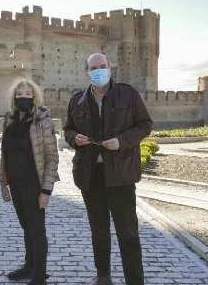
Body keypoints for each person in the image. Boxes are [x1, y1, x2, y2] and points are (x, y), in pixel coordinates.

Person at [63, 53, 153, 285]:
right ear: (87, 72)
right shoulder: (77, 101)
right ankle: (103, 276)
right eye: (94, 68)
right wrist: (76, 138)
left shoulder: (128, 94)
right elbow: (68, 130)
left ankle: (135, 281)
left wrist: (122, 140)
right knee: (99, 232)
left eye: (103, 67)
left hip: (120, 175)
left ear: (110, 70)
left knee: (128, 233)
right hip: (90, 176)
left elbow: (145, 124)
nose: (98, 71)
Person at [0, 77, 60, 285]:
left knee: (37, 230)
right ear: (13, 98)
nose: (23, 97)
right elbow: (4, 154)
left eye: (27, 94)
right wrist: (2, 183)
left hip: (34, 184)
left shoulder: (43, 121)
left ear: (34, 96)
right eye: (19, 94)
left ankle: (39, 275)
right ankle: (29, 266)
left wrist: (46, 191)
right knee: (26, 227)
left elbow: (52, 157)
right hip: (15, 183)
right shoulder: (10, 121)